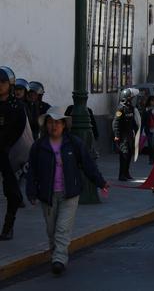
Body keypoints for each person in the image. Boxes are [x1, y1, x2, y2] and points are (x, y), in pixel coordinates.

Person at [26, 106, 109, 275]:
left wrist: (100, 182)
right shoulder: (39, 146)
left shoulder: (74, 143)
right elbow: (32, 171)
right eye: (50, 122)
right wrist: (31, 193)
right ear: (45, 125)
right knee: (51, 230)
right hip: (47, 195)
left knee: (62, 228)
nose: (54, 126)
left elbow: (88, 164)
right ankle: (56, 254)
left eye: (57, 122)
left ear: (64, 125)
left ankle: (59, 260)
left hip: (69, 194)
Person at [0, 66, 28, 240]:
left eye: (2, 82)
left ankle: (8, 227)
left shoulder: (16, 105)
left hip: (8, 153)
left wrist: (8, 146)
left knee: (12, 192)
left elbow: (20, 129)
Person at [112, 88, 139, 181]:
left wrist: (137, 129)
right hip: (122, 135)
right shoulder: (120, 108)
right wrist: (116, 135)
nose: (132, 99)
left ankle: (126, 173)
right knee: (124, 154)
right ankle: (121, 175)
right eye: (131, 98)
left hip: (129, 134)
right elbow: (116, 122)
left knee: (129, 154)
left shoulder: (131, 108)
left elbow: (132, 121)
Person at [142, 95, 154, 165]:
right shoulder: (146, 109)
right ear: (149, 102)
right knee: (150, 145)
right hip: (149, 130)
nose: (153, 102)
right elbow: (143, 120)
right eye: (151, 101)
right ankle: (151, 159)